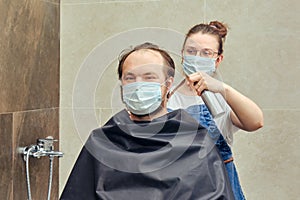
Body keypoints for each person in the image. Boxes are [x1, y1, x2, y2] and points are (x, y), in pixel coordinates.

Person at [60, 42, 234, 199]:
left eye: (149, 77)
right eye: (130, 78)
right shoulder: (101, 142)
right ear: (121, 85)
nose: (138, 85)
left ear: (168, 83)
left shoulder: (196, 143)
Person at [167, 21, 264, 200]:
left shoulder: (221, 98)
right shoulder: (166, 96)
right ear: (182, 55)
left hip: (220, 191)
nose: (197, 57)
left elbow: (256, 121)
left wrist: (222, 88)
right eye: (191, 51)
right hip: (175, 190)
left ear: (217, 59)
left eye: (206, 53)